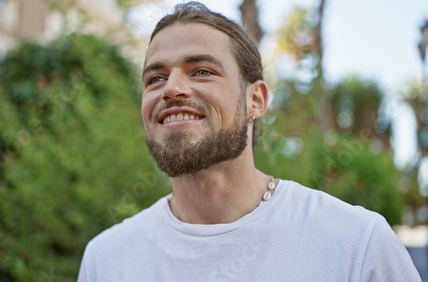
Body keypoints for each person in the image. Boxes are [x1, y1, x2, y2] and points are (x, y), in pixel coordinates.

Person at [78, 2, 421, 281]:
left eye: (201, 71)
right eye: (156, 78)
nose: (171, 89)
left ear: (256, 100)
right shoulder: (107, 259)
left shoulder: (357, 245)